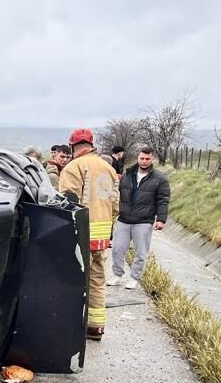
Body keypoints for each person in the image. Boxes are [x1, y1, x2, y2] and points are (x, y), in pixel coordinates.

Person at [58, 128, 119, 341]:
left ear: (73, 146)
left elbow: (67, 203)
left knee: (72, 279)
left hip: (80, 235)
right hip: (101, 235)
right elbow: (116, 204)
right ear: (91, 145)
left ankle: (69, 326)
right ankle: (95, 326)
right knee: (97, 279)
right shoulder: (108, 168)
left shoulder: (74, 167)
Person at [108, 147, 170, 289]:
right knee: (117, 248)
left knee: (141, 252)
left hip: (143, 220)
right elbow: (116, 193)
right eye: (142, 158)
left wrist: (161, 219)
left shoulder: (160, 179)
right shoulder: (127, 174)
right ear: (138, 158)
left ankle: (134, 278)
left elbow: (163, 200)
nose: (144, 161)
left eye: (147, 159)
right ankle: (117, 275)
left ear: (152, 159)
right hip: (124, 219)